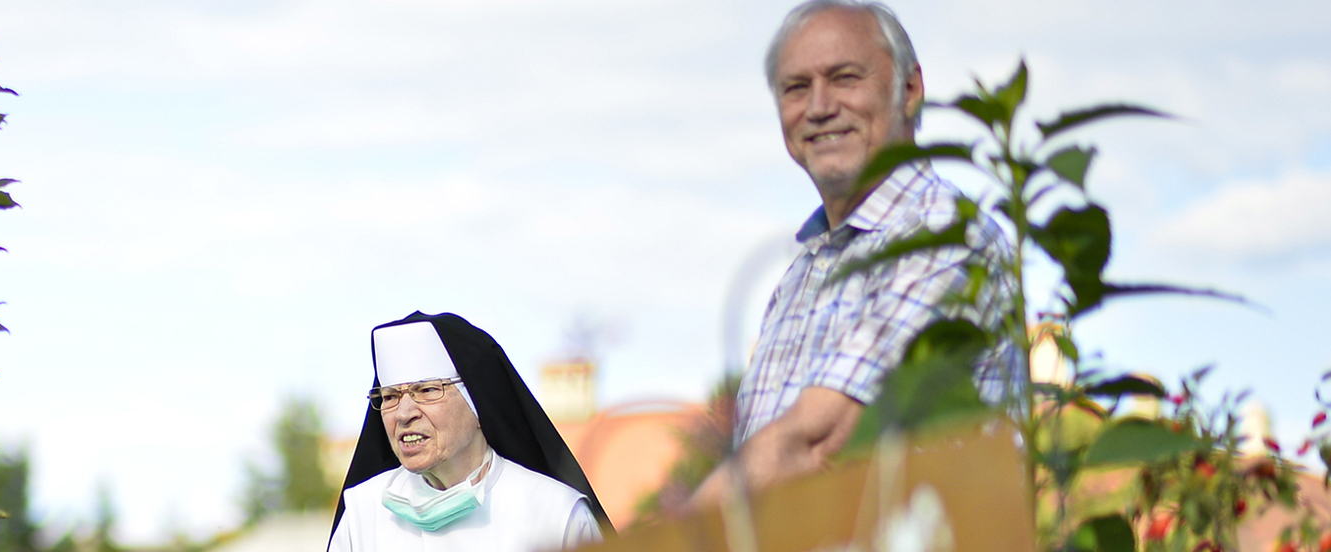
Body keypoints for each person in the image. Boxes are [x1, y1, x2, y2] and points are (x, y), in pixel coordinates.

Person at [686, 0, 1019, 508]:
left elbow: (820, 441)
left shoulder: (944, 235)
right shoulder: (803, 273)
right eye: (796, 88)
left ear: (910, 89)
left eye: (844, 78)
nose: (819, 107)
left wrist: (668, 537)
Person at [329, 313, 608, 552]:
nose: (403, 414)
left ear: (479, 404)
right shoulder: (361, 514)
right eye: (390, 396)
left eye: (427, 390)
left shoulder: (555, 514)